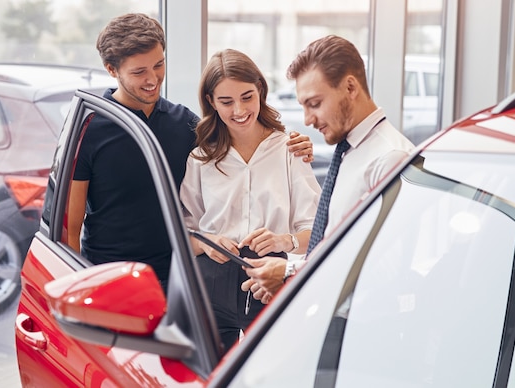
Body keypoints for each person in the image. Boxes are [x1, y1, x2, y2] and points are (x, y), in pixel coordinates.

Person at [66, 13, 314, 293]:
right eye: (139, 72)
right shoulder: (89, 128)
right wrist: (78, 288)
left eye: (159, 65)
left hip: (179, 279)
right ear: (112, 70)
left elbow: (235, 145)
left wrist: (294, 144)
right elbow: (69, 229)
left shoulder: (185, 125)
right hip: (109, 278)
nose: (152, 79)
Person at [242, 35, 415, 303]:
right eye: (303, 107)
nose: (307, 120)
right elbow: (336, 244)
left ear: (350, 87)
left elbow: (382, 267)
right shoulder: (349, 151)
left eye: (314, 104)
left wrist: (290, 273)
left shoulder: (390, 158)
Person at [179, 49, 321, 352]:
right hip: (208, 287)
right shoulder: (200, 159)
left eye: (247, 97)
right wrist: (205, 242)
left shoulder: (290, 151)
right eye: (226, 101)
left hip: (268, 282)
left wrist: (283, 241)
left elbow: (317, 233)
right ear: (210, 102)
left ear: (261, 91)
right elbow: (183, 233)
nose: (239, 110)